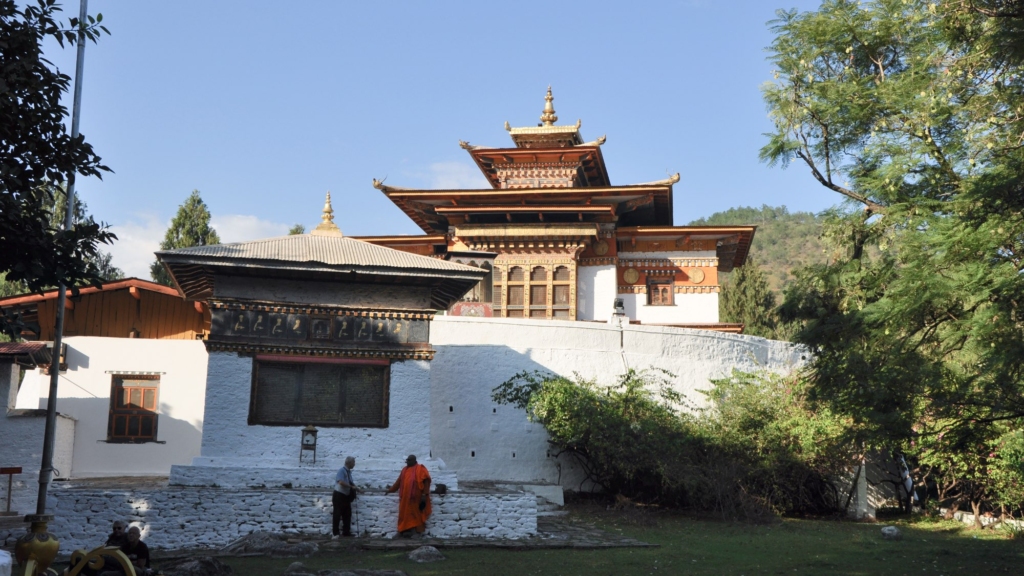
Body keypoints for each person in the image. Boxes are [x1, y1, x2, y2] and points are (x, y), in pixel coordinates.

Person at [386, 454, 432, 536]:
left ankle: (415, 531)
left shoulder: (420, 469)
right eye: (407, 461)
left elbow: (426, 482)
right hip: (405, 498)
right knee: (404, 514)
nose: (407, 462)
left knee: (415, 514)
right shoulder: (404, 470)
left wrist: (424, 495)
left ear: (414, 460)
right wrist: (390, 490)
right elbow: (398, 482)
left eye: (409, 460)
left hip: (416, 498)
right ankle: (403, 530)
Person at [333, 456, 358, 538]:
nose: (354, 464)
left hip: (345, 495)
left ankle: (346, 532)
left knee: (347, 514)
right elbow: (340, 482)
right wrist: (350, 487)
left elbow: (351, 482)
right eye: (353, 462)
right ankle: (335, 533)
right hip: (339, 494)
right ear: (349, 463)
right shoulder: (342, 471)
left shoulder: (349, 472)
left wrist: (358, 489)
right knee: (337, 513)